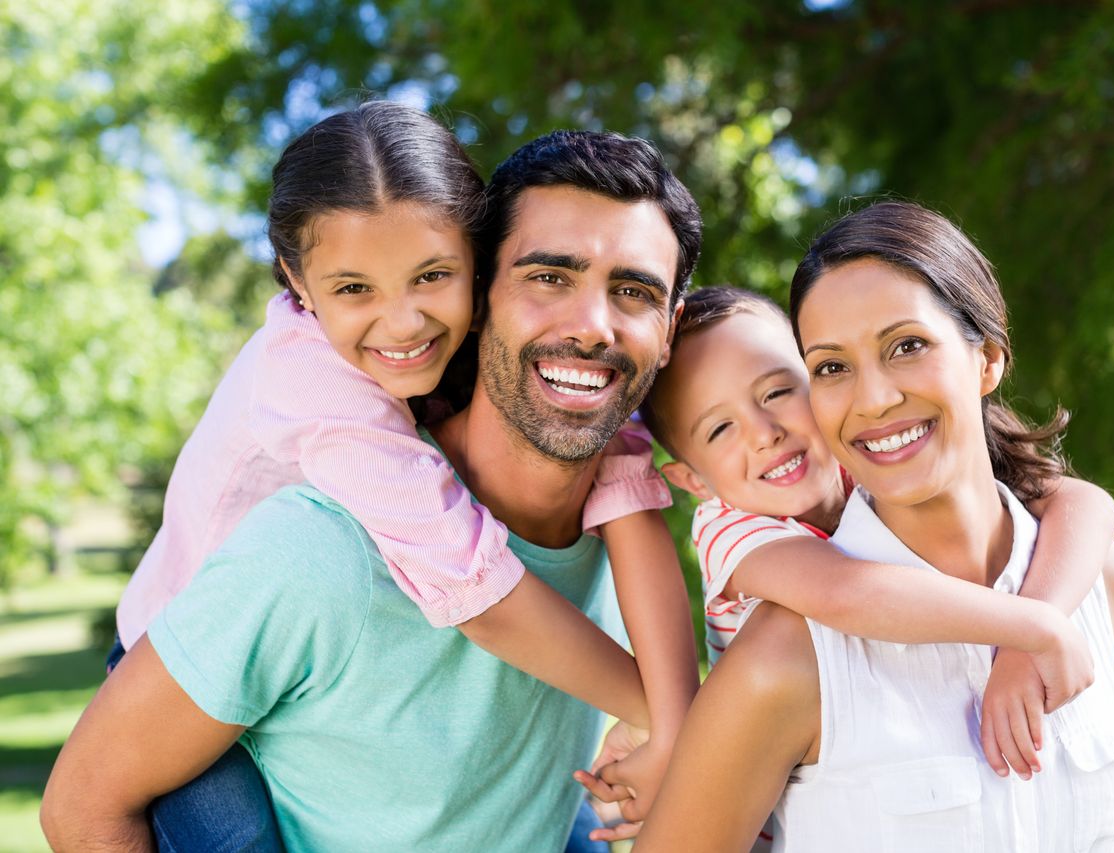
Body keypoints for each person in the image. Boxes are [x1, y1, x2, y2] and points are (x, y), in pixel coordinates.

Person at [41, 128, 702, 852]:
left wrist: (674, 723)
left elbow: (629, 481)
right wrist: (682, 724)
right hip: (175, 637)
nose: (589, 326)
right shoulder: (326, 496)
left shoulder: (598, 493)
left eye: (633, 291)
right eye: (549, 276)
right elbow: (475, 590)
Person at [632, 202, 1114, 852]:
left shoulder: (1101, 580)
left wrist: (1034, 625)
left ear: (987, 357)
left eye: (907, 345)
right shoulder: (783, 644)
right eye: (833, 366)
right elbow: (847, 595)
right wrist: (1034, 627)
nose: (873, 399)